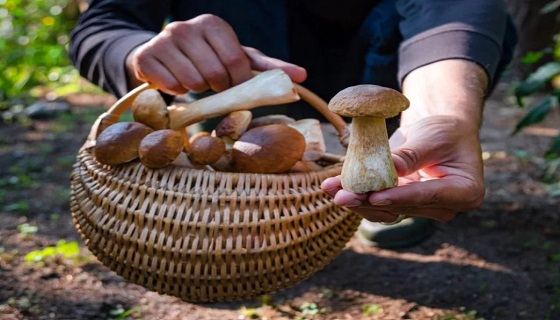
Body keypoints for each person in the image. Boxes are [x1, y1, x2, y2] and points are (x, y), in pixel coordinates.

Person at [69, 0, 517, 248]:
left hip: (380, 71)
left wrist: (440, 112)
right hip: (240, 90)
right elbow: (103, 24)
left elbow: (459, 7)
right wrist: (141, 53)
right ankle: (249, 197)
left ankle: (383, 184)